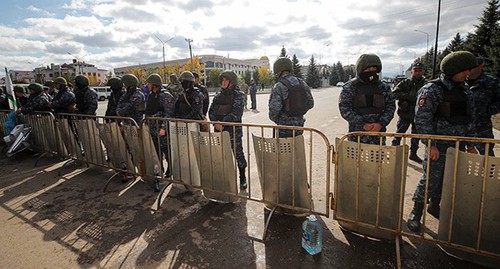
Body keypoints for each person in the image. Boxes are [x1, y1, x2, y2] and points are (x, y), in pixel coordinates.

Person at [407, 51, 479, 233]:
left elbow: (470, 118)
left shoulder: (465, 90)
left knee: (448, 180)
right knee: (430, 179)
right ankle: (416, 213)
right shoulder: (432, 90)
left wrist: (470, 144)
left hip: (458, 145)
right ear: (454, 69)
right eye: (465, 70)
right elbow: (422, 119)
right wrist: (431, 144)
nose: (467, 74)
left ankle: (435, 206)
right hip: (437, 146)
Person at [338, 53, 396, 145]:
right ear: (361, 69)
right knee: (354, 159)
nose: (371, 71)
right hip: (356, 136)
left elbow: (390, 107)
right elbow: (345, 109)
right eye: (368, 68)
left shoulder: (383, 87)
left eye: (374, 68)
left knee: (377, 159)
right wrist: (363, 124)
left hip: (378, 135)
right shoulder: (350, 87)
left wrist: (380, 123)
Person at [208, 70, 247, 190]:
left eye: (226, 80)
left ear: (232, 81)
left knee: (238, 154)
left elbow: (237, 113)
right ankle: (224, 179)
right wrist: (215, 122)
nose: (223, 82)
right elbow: (211, 111)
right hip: (219, 131)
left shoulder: (238, 95)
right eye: (222, 80)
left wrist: (222, 123)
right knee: (220, 156)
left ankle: (242, 178)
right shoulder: (218, 95)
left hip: (233, 132)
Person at [269, 57, 314, 138]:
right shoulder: (302, 83)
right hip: (299, 126)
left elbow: (274, 110)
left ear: (279, 70)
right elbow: (310, 103)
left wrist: (279, 120)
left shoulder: (279, 86)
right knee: (297, 148)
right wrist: (298, 115)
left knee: (285, 150)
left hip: (284, 128)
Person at [391, 62, 428, 163]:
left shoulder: (426, 84)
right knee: (399, 133)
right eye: (415, 71)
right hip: (405, 113)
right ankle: (393, 152)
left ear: (423, 71)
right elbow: (394, 94)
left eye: (420, 70)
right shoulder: (405, 83)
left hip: (419, 114)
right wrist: (408, 96)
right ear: (412, 72)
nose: (417, 73)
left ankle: (413, 154)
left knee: (416, 136)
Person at [144, 73, 175, 176]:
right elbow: (148, 111)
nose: (147, 85)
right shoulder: (151, 95)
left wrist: (164, 128)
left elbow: (169, 113)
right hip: (152, 128)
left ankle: (170, 170)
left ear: (155, 84)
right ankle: (159, 170)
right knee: (156, 151)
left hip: (162, 130)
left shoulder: (165, 95)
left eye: (149, 83)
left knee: (167, 151)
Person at [467, 57, 500, 156]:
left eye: (473, 66)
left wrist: (487, 111)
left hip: (482, 128)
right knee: (462, 160)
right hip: (461, 128)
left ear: (481, 66)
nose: (469, 69)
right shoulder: (460, 82)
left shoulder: (492, 82)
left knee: (487, 157)